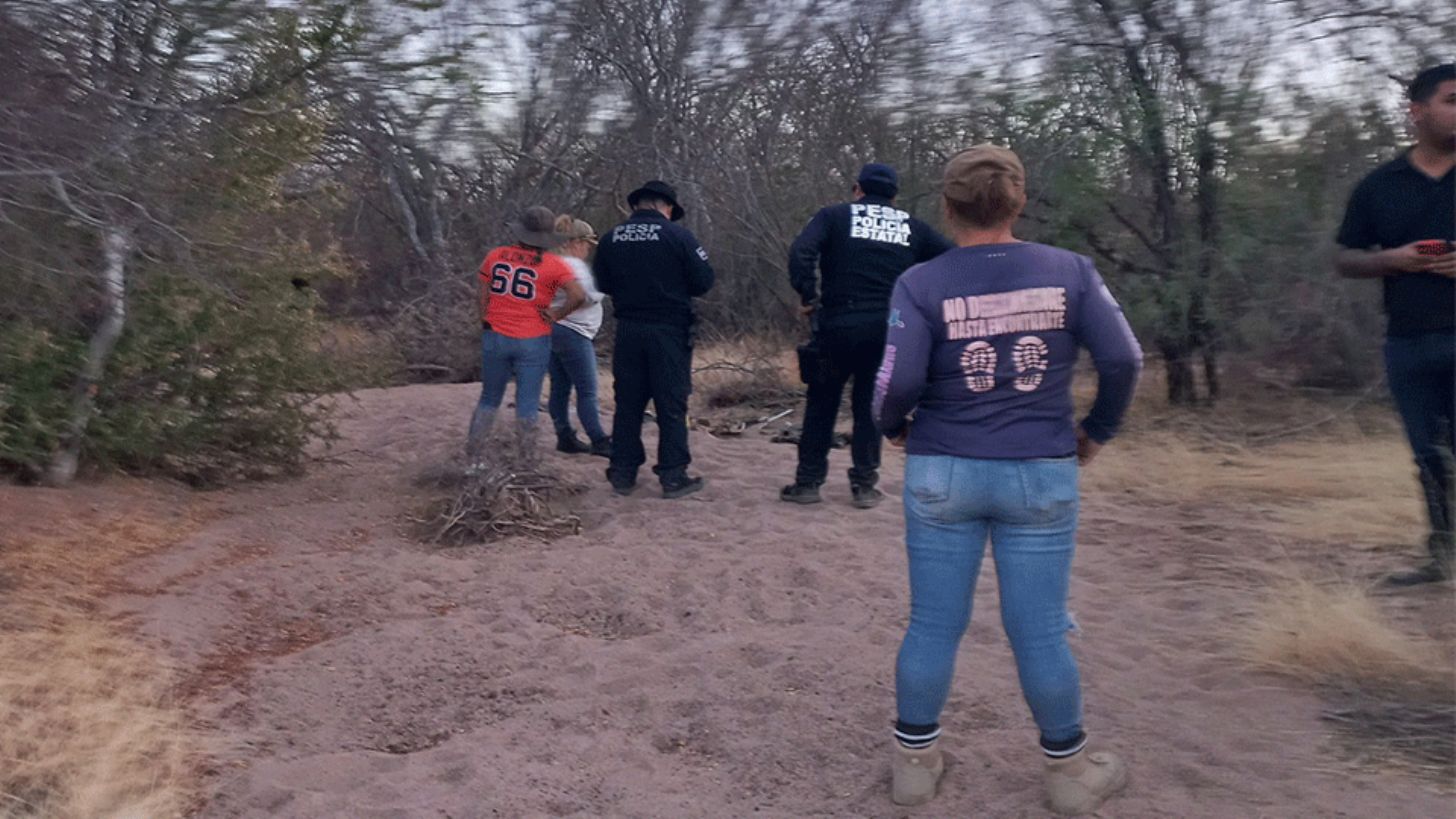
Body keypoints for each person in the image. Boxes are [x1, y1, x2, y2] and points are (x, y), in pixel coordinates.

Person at [873, 145, 1142, 814]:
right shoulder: (1071, 271)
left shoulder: (920, 282)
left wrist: (893, 426)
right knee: (1040, 630)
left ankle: (914, 767)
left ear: (947, 206)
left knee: (933, 623)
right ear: (1019, 200)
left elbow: (897, 380)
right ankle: (1068, 772)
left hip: (943, 469)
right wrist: (1096, 432)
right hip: (1040, 472)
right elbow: (1124, 359)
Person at [1336, 63, 1456, 586]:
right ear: (1417, 110)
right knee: (1430, 456)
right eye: (1452, 100)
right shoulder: (1380, 185)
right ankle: (1443, 559)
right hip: (1408, 341)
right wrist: (1393, 259)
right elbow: (1345, 257)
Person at [781, 163, 953, 509]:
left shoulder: (833, 216)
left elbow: (801, 252)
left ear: (857, 189)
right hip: (888, 328)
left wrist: (808, 296)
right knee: (870, 408)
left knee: (822, 403)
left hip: (837, 324)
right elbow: (953, 260)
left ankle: (808, 483)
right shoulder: (912, 226)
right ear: (894, 197)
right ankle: (863, 485)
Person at [593, 180, 714, 498]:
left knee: (628, 403)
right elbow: (703, 281)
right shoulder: (679, 236)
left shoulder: (611, 238)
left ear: (637, 205)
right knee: (671, 404)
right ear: (667, 207)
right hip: (668, 330)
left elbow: (601, 283)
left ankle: (623, 473)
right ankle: (673, 476)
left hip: (629, 329)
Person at [467, 206, 586, 462]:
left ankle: (473, 459)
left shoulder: (496, 255)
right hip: (533, 338)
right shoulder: (553, 264)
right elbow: (578, 295)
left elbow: (482, 291)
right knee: (528, 403)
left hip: (496, 335)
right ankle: (526, 461)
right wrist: (557, 315)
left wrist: (485, 319)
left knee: (489, 399)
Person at [547, 215, 612, 457]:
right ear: (575, 242)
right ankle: (598, 439)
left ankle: (564, 435)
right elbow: (586, 296)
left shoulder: (549, 263)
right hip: (574, 331)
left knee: (560, 387)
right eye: (586, 244)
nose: (588, 249)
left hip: (552, 330)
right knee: (587, 390)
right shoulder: (574, 266)